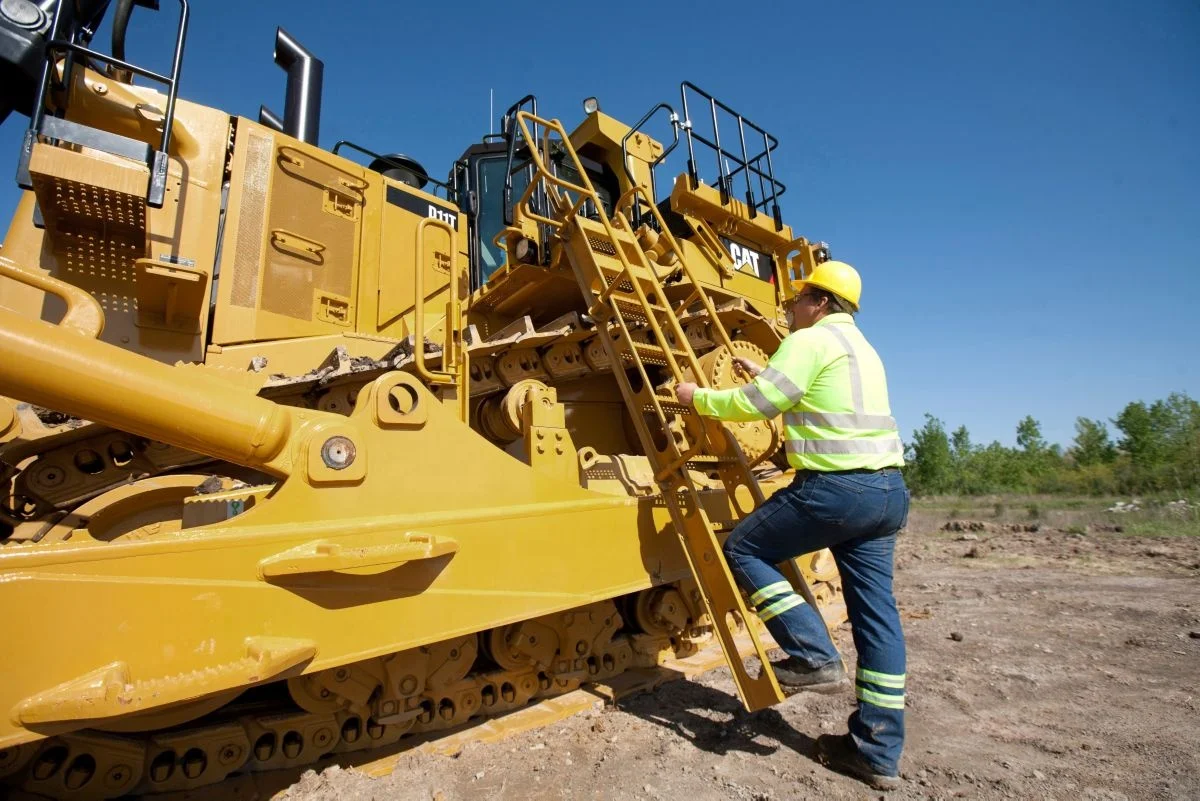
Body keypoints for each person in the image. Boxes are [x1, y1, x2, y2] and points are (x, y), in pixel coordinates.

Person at [674, 260, 909, 790]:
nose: (791, 307)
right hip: (888, 493)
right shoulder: (863, 349)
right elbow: (819, 396)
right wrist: (768, 372)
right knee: (878, 619)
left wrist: (697, 399)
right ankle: (878, 753)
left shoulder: (808, 340)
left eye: (798, 299)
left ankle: (812, 655)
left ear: (820, 302)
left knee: (745, 548)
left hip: (837, 492)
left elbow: (758, 406)